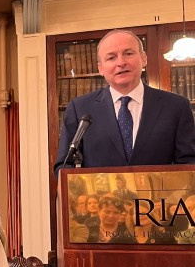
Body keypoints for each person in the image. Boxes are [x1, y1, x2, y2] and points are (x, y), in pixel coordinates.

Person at [54, 29, 195, 173]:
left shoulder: (176, 106)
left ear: (144, 58)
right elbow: (64, 166)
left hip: (159, 195)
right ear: (101, 68)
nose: (121, 63)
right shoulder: (80, 109)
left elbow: (189, 162)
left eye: (128, 54)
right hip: (99, 195)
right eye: (111, 58)